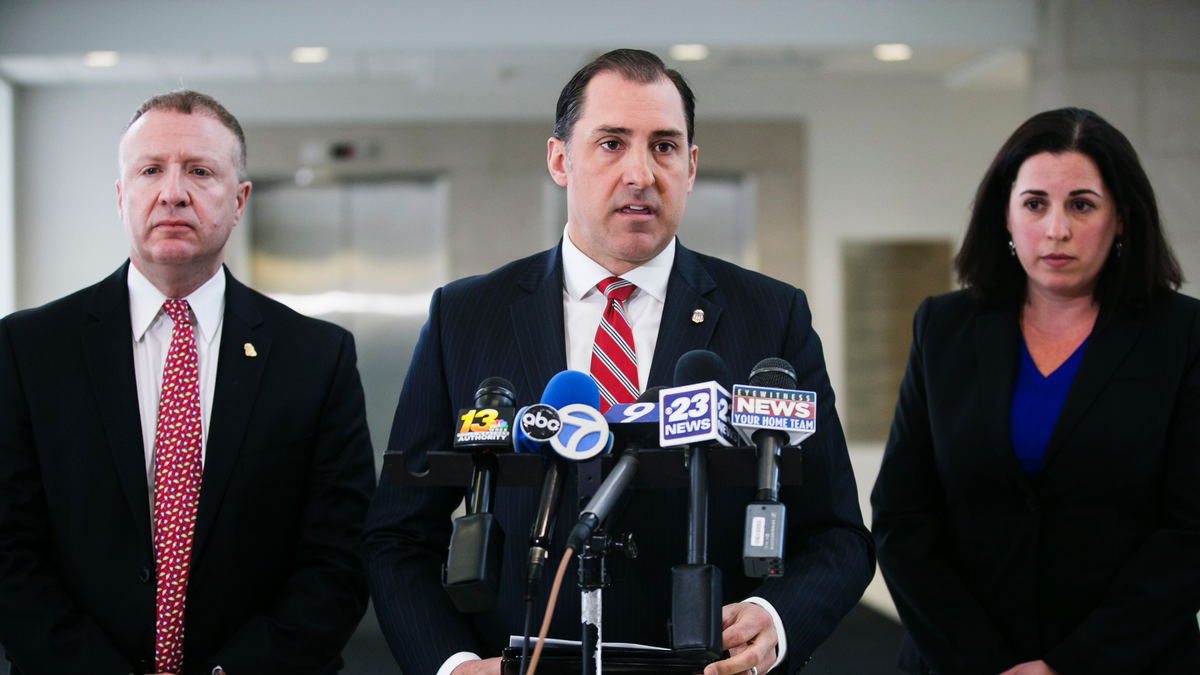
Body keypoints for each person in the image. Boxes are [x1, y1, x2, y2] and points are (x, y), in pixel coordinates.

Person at [362, 49, 873, 675]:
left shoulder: (771, 316)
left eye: (663, 146)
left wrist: (777, 617)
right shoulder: (465, 316)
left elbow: (839, 533)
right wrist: (454, 664)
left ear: (689, 167)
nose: (641, 172)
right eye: (611, 143)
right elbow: (397, 536)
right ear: (560, 160)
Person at [0, 90, 376, 674]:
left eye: (200, 171)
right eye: (151, 170)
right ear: (122, 197)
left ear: (240, 200)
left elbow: (339, 556)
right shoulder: (28, 350)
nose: (173, 191)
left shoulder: (317, 357)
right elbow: (7, 549)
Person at [871, 107, 1200, 675]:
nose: (1057, 230)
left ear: (1121, 217)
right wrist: (983, 662)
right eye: (1034, 204)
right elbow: (902, 517)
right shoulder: (943, 327)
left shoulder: (1182, 335)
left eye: (1082, 204)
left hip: (1132, 663)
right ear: (1005, 213)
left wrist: (1069, 667)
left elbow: (1190, 533)